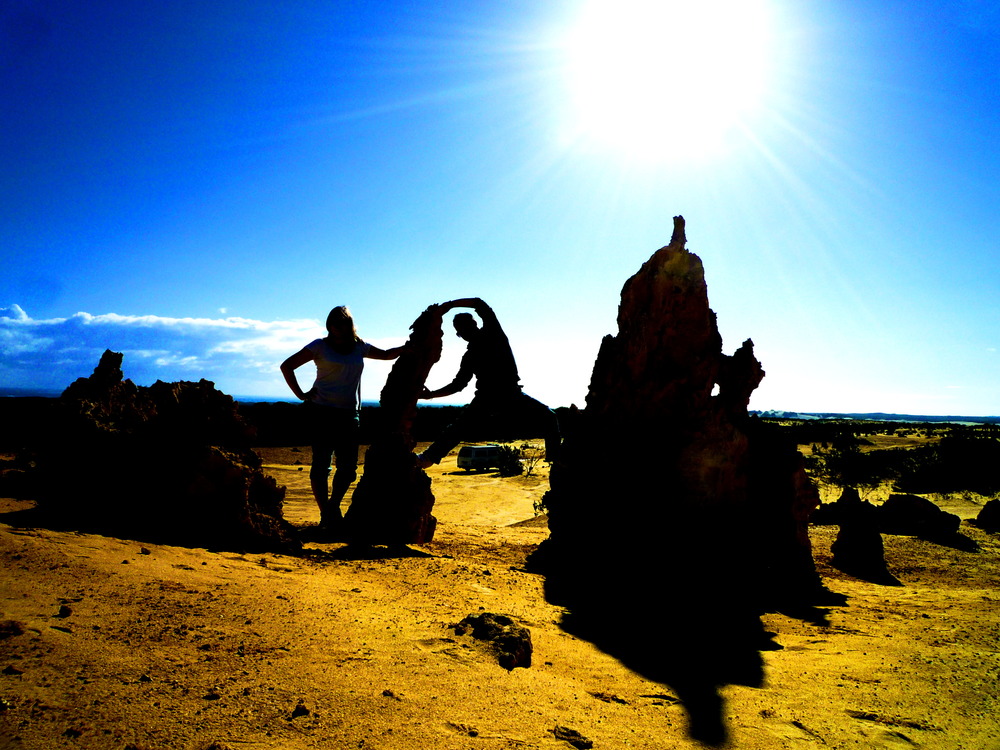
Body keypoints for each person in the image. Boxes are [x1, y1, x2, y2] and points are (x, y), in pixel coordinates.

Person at [281, 306, 406, 530]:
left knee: (348, 469)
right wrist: (301, 395)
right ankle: (327, 515)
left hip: (349, 414)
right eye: (335, 323)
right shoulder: (319, 346)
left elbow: (386, 355)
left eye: (344, 323)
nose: (339, 327)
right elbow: (287, 366)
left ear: (350, 324)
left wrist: (410, 347)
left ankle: (331, 509)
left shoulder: (360, 346)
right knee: (321, 466)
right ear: (329, 325)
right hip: (321, 412)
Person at [416, 297, 559, 467]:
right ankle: (428, 457)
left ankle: (556, 460)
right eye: (459, 332)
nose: (461, 336)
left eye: (461, 331)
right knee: (458, 428)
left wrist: (449, 305)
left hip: (503, 395)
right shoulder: (473, 352)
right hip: (496, 396)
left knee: (549, 418)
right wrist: (431, 395)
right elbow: (458, 384)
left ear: (473, 324)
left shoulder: (493, 333)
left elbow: (479, 303)